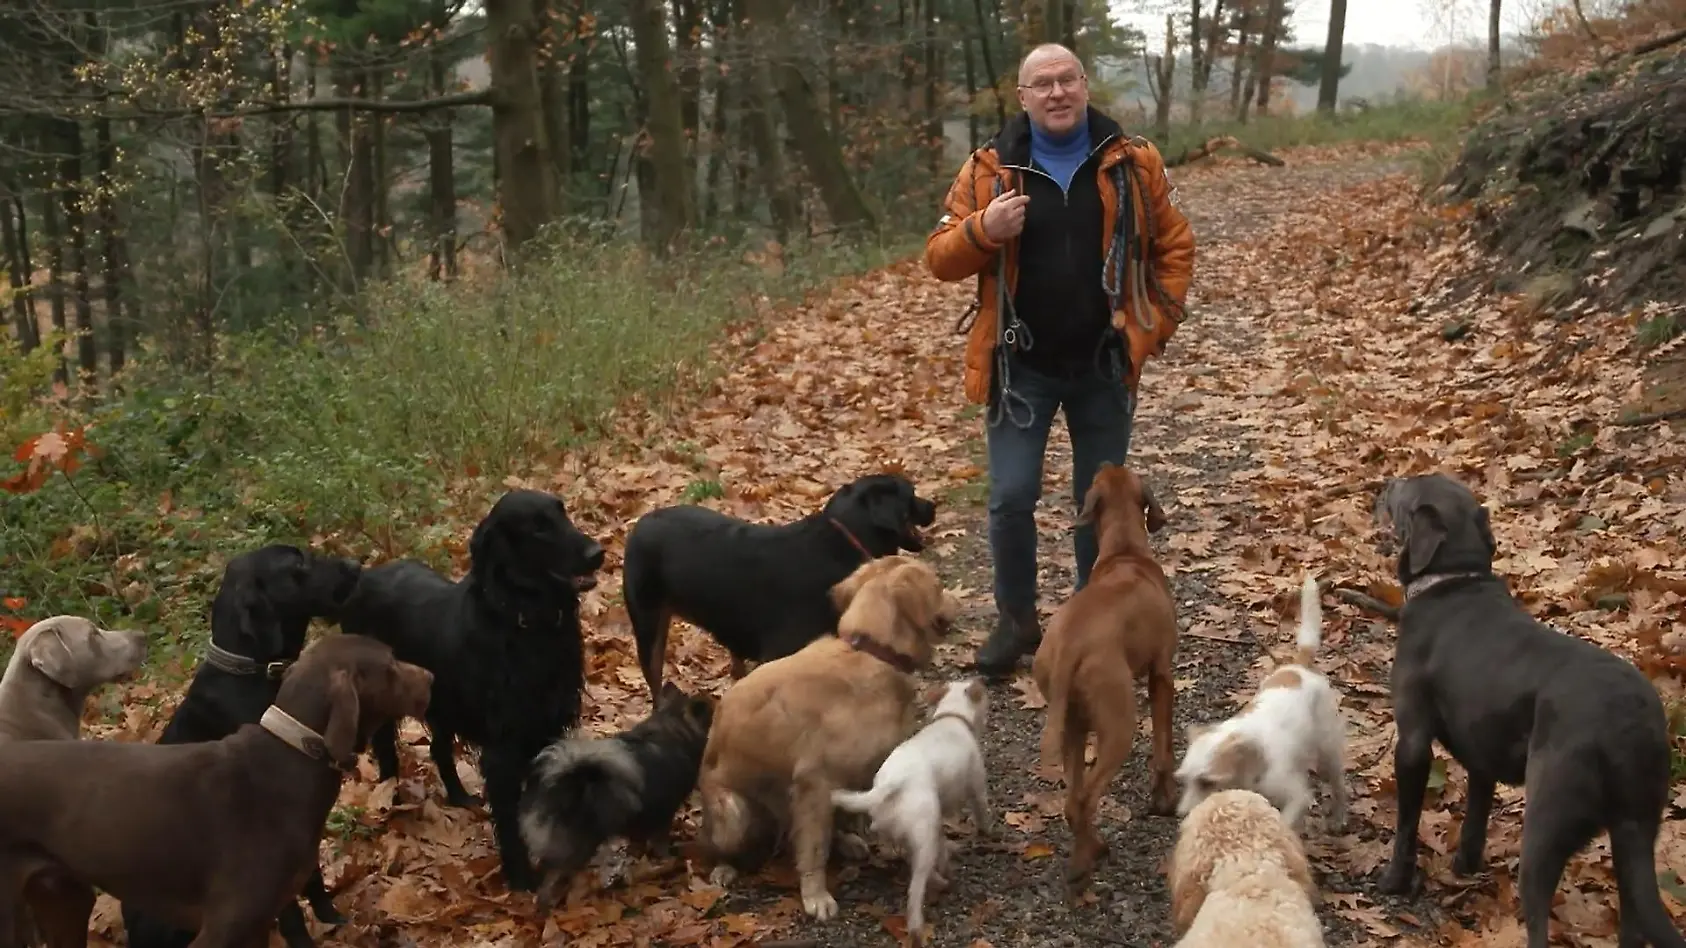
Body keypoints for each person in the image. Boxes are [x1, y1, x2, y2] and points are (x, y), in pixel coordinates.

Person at [923, 43, 1196, 680]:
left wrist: (1150, 328)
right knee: (1011, 497)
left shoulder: (1133, 162)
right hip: (1022, 368)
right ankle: (1017, 620)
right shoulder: (989, 168)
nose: (1056, 92)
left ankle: (1092, 621)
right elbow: (939, 257)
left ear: (1084, 84)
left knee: (1098, 501)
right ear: (1022, 98)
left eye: (1066, 79)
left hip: (1105, 365)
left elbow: (1176, 246)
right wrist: (982, 230)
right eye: (1040, 83)